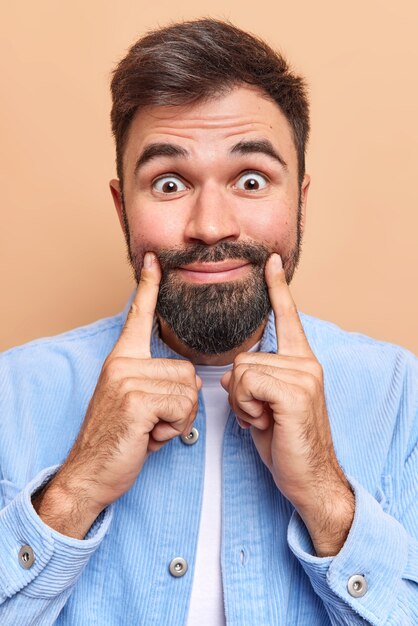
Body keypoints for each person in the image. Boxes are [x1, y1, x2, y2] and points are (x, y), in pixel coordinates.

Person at [0, 18, 416, 626]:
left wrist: (328, 501)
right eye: (169, 183)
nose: (211, 225)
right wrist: (75, 490)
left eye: (251, 180)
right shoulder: (12, 394)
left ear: (300, 200)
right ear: (123, 209)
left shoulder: (401, 396)